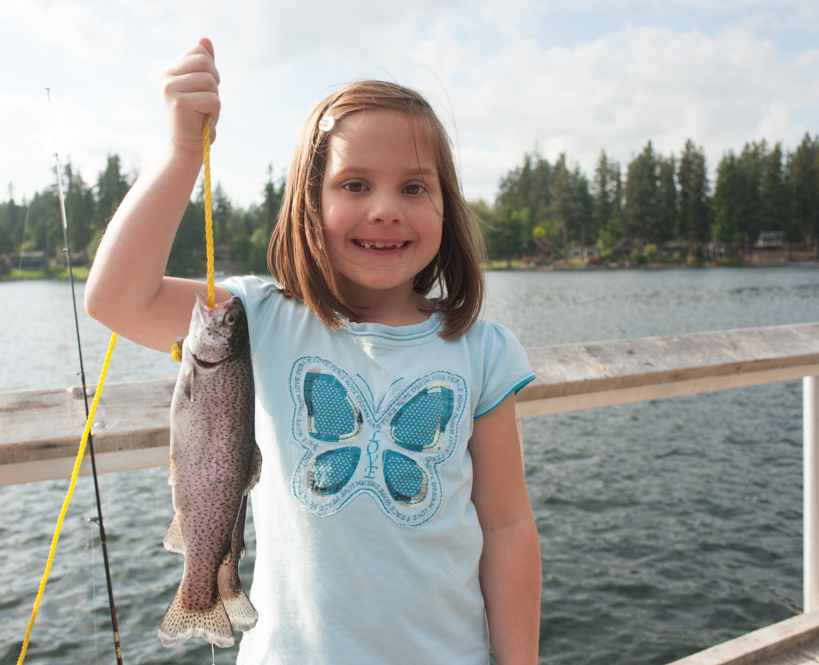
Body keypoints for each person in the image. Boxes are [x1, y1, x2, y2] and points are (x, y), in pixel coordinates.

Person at [85, 37, 540, 665]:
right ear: (310, 203)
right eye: (354, 184)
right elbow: (116, 298)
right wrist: (184, 153)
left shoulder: (483, 350)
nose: (385, 209)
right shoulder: (259, 319)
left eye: (414, 187)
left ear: (447, 205)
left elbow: (507, 526)